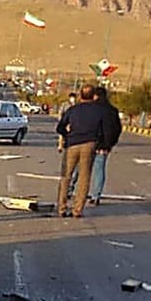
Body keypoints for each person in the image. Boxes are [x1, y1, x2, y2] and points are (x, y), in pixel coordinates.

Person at [55, 84, 106, 218]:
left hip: (72, 144)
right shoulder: (99, 111)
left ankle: (61, 207)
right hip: (89, 144)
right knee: (84, 177)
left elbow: (60, 127)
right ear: (93, 96)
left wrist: (67, 136)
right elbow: (104, 130)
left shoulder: (73, 110)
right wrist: (101, 143)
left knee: (66, 176)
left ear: (80, 95)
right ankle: (77, 210)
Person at [85, 86, 123, 205]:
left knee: (81, 169)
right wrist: (110, 143)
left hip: (89, 142)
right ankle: (96, 195)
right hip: (104, 146)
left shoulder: (91, 108)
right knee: (99, 170)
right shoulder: (112, 110)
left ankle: (72, 191)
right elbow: (117, 128)